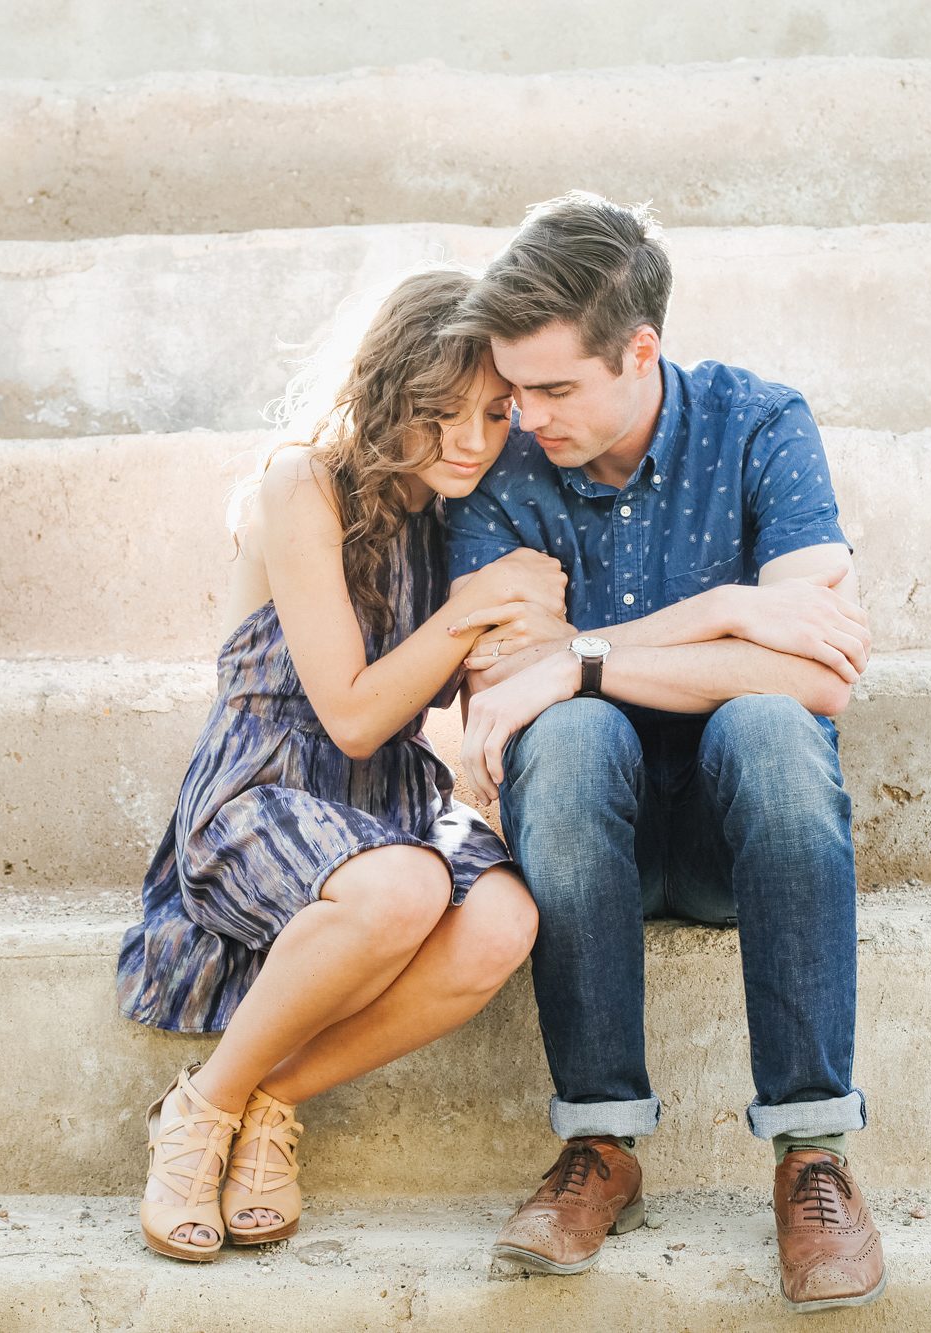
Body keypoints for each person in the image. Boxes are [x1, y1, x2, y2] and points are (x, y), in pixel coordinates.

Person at [443, 194, 885, 1311]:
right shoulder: (505, 466)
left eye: (554, 388)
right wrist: (729, 614)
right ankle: (600, 1145)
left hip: (747, 841)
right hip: (585, 835)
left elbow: (817, 674)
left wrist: (578, 655)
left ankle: (810, 1151)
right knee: (577, 730)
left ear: (639, 350)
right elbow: (502, 680)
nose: (524, 414)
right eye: (514, 386)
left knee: (768, 722)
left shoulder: (758, 424)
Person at [115, 267, 562, 1261]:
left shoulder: (467, 510)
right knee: (402, 888)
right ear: (386, 388)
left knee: (502, 920)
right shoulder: (301, 485)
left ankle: (268, 1096)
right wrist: (466, 610)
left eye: (493, 415)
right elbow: (355, 716)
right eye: (441, 414)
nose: (471, 442)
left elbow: (463, 691)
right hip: (264, 787)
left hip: (390, 802)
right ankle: (198, 1110)